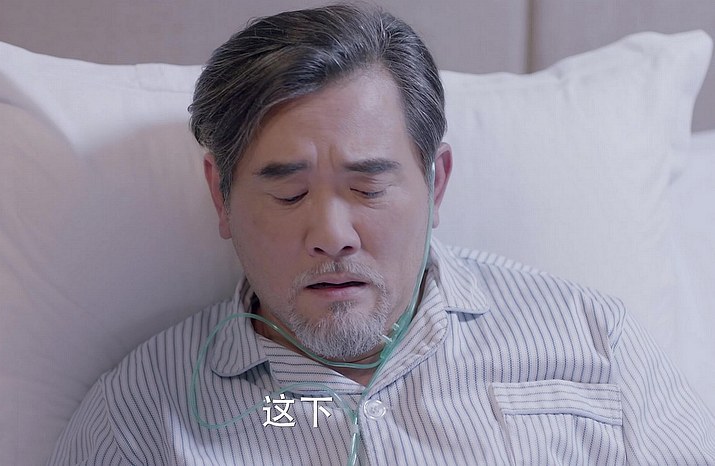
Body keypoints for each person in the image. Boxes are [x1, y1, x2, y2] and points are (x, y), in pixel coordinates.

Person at [49, 4, 715, 465]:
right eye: (288, 194)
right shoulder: (140, 419)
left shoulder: (595, 342)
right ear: (221, 197)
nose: (332, 235)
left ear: (436, 184)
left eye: (368, 189)